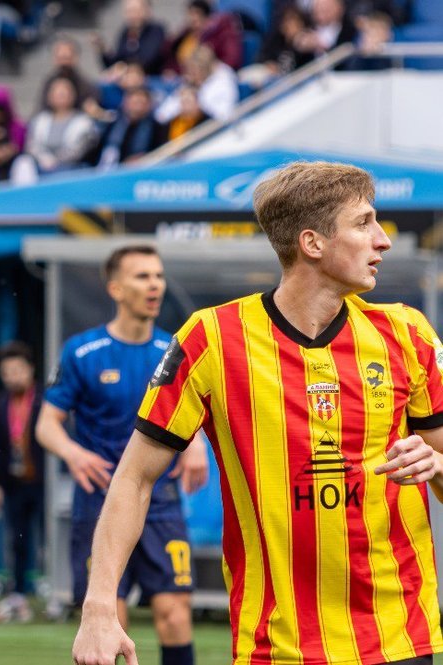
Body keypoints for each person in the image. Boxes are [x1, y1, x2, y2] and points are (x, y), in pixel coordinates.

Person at [73, 161, 443, 664]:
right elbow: (135, 477)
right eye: (364, 223)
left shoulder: (408, 333)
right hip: (274, 645)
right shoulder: (211, 338)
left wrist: (436, 465)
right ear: (312, 243)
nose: (384, 240)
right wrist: (99, 607)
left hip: (398, 636)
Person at [41, 245, 208, 665]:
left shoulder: (173, 350)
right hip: (101, 503)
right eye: (142, 276)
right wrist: (74, 454)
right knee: (108, 616)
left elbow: (190, 411)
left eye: (158, 276)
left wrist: (196, 446)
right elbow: (46, 424)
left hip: (161, 503)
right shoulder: (82, 351)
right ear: (115, 288)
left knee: (175, 614)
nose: (154, 285)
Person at [0, 341, 43, 624]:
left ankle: (58, 593)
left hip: (43, 482)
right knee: (18, 539)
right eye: (6, 372)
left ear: (30, 369)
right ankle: (18, 593)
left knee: (50, 536)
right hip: (15, 482)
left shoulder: (46, 400)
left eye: (18, 370)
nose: (12, 377)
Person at [26, 75, 99, 173]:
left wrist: (56, 161)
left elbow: (80, 149)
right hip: (41, 166)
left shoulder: (84, 122)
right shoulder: (39, 120)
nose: (60, 94)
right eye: (56, 91)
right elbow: (32, 146)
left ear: (73, 95)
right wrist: (45, 159)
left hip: (72, 168)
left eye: (64, 91)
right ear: (49, 96)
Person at [155, 45, 239, 124]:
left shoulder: (223, 79)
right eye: (189, 71)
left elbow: (225, 115)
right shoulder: (189, 83)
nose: (190, 75)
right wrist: (183, 104)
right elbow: (161, 115)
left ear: (205, 68)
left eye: (194, 71)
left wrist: (199, 106)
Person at [238, 5, 314, 87]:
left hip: (294, 84)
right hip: (272, 80)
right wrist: (269, 64)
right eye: (287, 22)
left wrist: (300, 42)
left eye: (294, 22)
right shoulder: (275, 40)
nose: (290, 26)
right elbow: (260, 57)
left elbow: (307, 69)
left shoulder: (306, 46)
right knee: (247, 75)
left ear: (301, 23)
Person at [95, 86, 168, 169]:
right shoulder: (111, 123)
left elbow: (160, 154)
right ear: (125, 103)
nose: (138, 108)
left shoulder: (157, 127)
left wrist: (144, 158)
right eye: (135, 103)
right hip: (106, 167)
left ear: (149, 105)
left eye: (142, 103)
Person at [164, 0, 243, 74]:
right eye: (190, 14)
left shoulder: (221, 33)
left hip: (210, 76)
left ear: (207, 18)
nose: (193, 19)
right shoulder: (186, 34)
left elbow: (231, 60)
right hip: (182, 77)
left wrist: (209, 70)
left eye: (197, 14)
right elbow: (170, 56)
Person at [94, 0, 167, 78]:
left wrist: (124, 67)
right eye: (129, 11)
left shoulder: (156, 30)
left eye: (136, 10)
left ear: (147, 11)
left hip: (152, 79)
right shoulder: (125, 32)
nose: (133, 15)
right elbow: (116, 61)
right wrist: (103, 50)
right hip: (128, 80)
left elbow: (149, 60)